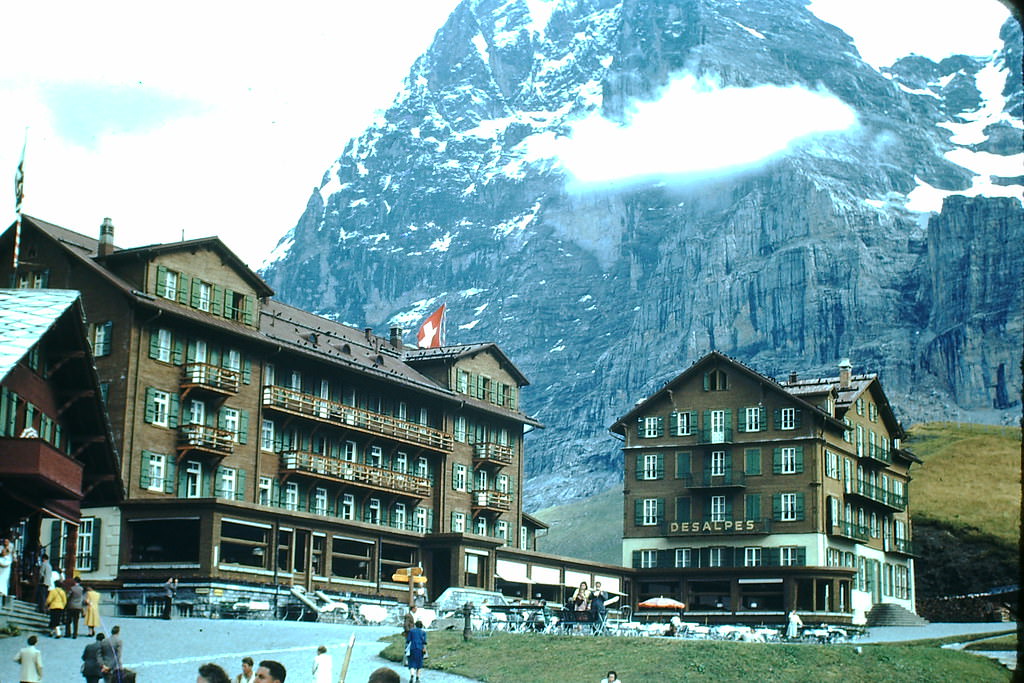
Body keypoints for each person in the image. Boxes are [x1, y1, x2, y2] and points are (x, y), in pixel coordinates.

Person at [0, 537, 14, 603]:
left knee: (2, 586)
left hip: (4, 574)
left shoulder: (8, 558)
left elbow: (4, 564)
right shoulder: (1, 557)